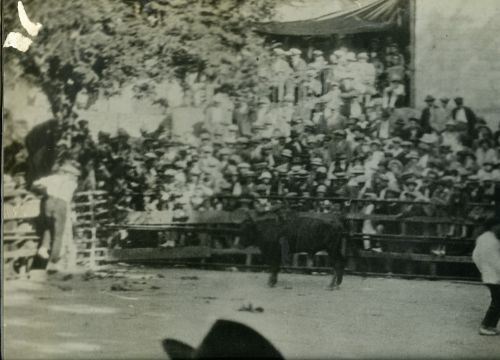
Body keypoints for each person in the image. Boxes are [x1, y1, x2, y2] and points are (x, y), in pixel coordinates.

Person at [33, 162, 81, 273]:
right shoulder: (72, 184)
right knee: (58, 234)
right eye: (74, 175)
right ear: (68, 173)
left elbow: (36, 183)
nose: (75, 177)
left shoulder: (52, 178)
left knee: (48, 226)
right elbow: (68, 199)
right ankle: (53, 262)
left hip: (49, 202)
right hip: (61, 204)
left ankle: (44, 248)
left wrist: (44, 189)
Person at [472, 218, 500, 335]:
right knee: (497, 302)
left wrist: (482, 269)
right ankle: (485, 325)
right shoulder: (491, 240)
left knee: (497, 301)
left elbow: (475, 256)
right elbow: (496, 261)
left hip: (489, 275)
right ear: (493, 226)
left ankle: (491, 325)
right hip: (494, 276)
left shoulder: (483, 237)